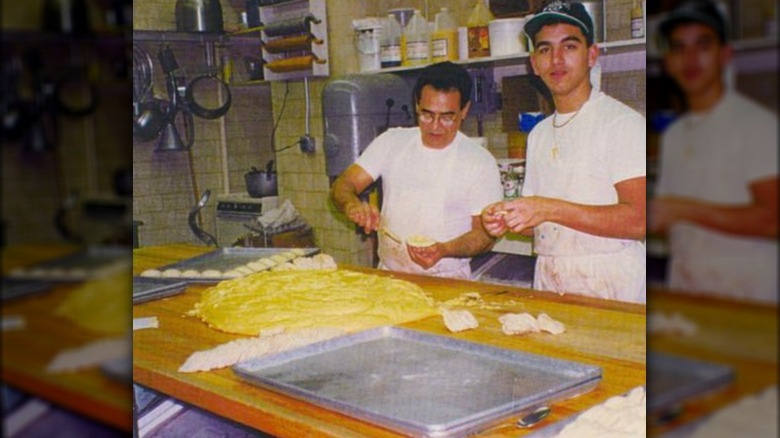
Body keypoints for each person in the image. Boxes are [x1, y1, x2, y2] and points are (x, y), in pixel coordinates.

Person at [481, 0, 646, 303]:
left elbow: (639, 220)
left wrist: (547, 207)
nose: (556, 60)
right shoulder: (540, 134)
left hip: (612, 283)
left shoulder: (622, 124)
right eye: (545, 49)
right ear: (534, 63)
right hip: (550, 278)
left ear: (591, 55)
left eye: (569, 47)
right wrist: (511, 218)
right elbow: (542, 226)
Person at [650, 0, 778, 302]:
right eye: (679, 48)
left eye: (702, 46)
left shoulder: (756, 124)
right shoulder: (675, 135)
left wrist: (679, 209)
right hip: (687, 286)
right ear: (668, 62)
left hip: (745, 295)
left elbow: (773, 220)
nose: (690, 58)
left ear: (725, 55)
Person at [330, 61, 503, 279]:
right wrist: (352, 205)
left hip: (447, 279)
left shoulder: (479, 162)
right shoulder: (392, 141)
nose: (435, 126)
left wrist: (444, 250)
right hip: (389, 276)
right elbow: (343, 185)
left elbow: (485, 235)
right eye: (427, 114)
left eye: (447, 117)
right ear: (416, 105)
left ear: (464, 110)